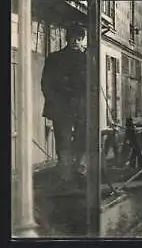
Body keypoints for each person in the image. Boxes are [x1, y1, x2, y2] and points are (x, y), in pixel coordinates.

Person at [41, 25, 87, 183]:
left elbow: (92, 85)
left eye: (80, 38)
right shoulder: (54, 58)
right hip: (61, 106)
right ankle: (64, 171)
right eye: (74, 37)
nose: (77, 41)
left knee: (83, 136)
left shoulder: (86, 59)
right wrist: (54, 102)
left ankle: (80, 167)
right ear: (67, 39)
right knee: (63, 138)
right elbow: (46, 83)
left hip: (81, 106)